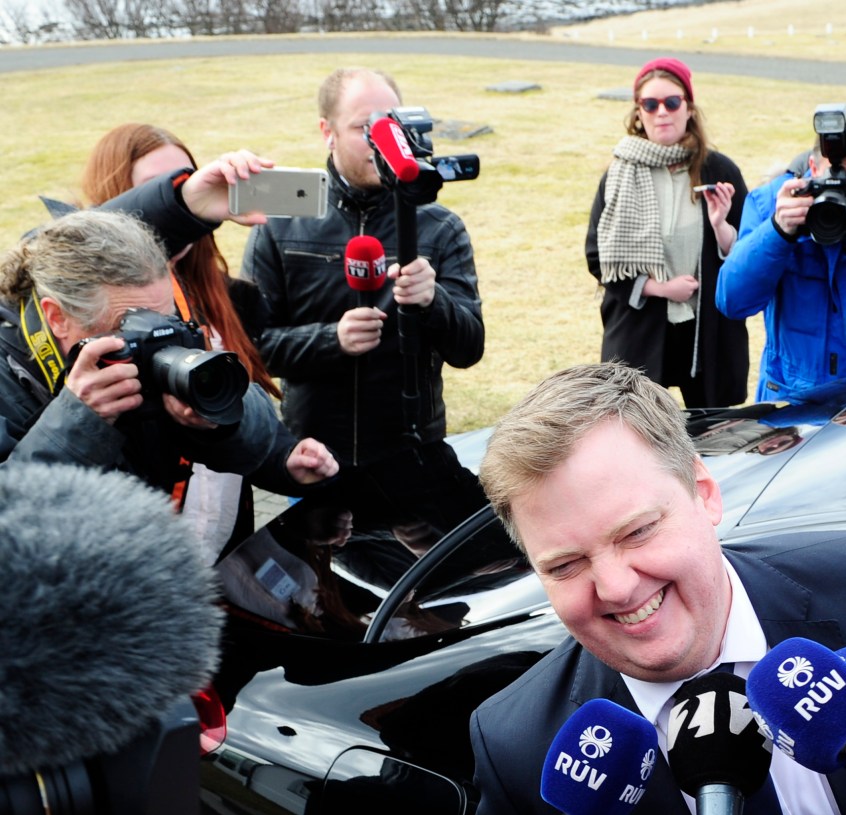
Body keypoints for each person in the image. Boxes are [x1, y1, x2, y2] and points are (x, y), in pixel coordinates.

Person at [468, 362, 846, 815]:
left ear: (704, 495)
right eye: (566, 565)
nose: (617, 587)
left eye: (637, 532)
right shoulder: (517, 747)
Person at [0, 200, 336, 499]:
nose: (152, 339)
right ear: (57, 317)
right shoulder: (8, 374)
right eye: (128, 326)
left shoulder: (152, 337)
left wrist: (229, 427)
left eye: (164, 318)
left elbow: (248, 427)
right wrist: (78, 419)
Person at [243, 67, 485, 468]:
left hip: (413, 454)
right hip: (314, 456)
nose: (381, 141)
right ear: (327, 131)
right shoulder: (281, 224)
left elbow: (469, 349)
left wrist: (433, 300)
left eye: (391, 125)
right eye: (364, 127)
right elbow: (250, 347)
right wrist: (331, 339)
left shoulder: (439, 227)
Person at [78, 123, 296, 556]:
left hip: (226, 556)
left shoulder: (232, 298)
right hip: (132, 563)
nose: (184, 203)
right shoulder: (79, 316)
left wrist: (287, 460)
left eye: (187, 183)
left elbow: (245, 421)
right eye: (164, 192)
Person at [585, 57, 749, 408]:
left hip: (709, 333)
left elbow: (750, 251)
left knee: (714, 440)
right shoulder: (618, 175)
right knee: (639, 442)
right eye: (650, 104)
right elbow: (597, 257)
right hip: (640, 331)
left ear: (688, 109)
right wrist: (660, 288)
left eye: (672, 102)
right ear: (638, 113)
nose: (662, 112)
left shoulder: (719, 170)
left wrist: (721, 227)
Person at [716, 102, 846, 402]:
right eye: (841, 182)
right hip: (794, 401)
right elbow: (732, 300)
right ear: (813, 167)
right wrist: (778, 231)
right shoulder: (772, 203)